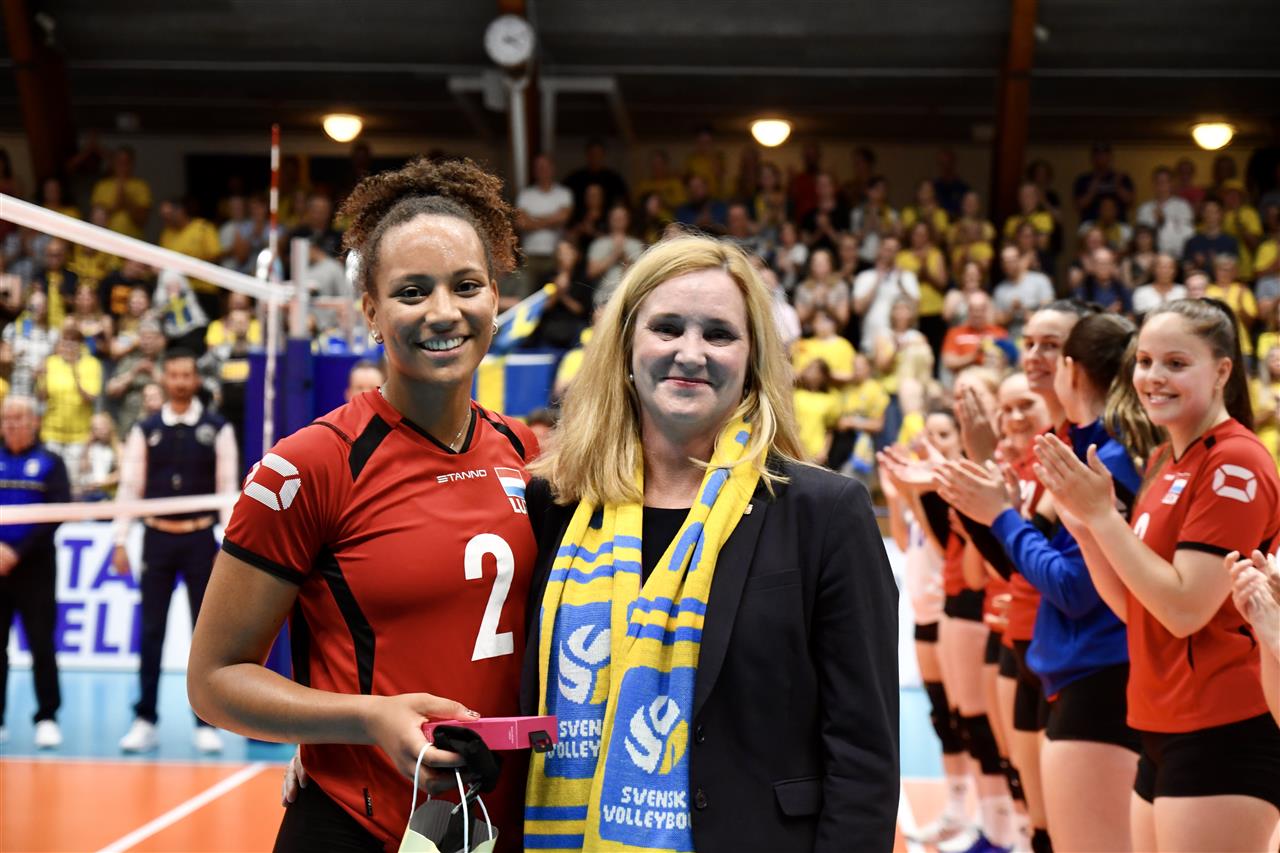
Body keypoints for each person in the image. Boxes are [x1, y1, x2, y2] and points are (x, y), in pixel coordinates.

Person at [187, 157, 539, 851]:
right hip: (359, 824)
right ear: (371, 311)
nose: (444, 311)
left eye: (466, 285)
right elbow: (213, 681)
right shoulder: (310, 467)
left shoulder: (522, 449)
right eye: (412, 291)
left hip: (499, 824)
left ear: (496, 298)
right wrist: (365, 719)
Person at [521, 234, 899, 851]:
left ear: (752, 360)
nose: (690, 353)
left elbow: (863, 755)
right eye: (667, 328)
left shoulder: (824, 514)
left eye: (719, 334)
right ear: (626, 347)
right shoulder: (556, 506)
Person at [1034, 298, 1280, 852]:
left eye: (1176, 363)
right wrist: (1086, 530)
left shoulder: (1235, 461)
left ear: (1222, 371)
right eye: (1145, 362)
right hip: (1160, 720)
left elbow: (1185, 610)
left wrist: (1104, 518)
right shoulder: (1166, 461)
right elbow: (1137, 606)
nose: (1153, 377)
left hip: (1223, 726)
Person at [940, 312, 1163, 852]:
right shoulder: (1075, 444)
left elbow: (1072, 585)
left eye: (1050, 346)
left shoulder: (1105, 454)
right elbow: (1016, 562)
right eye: (1029, 343)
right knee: (1041, 828)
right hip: (1061, 660)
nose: (1035, 357)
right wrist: (994, 500)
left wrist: (1000, 516)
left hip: (1096, 666)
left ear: (1072, 367)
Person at [113, 349, 239, 755]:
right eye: (174, 375)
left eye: (187, 375)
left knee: (205, 635)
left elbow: (227, 488)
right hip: (157, 539)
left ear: (196, 380)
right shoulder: (146, 428)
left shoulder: (217, 428)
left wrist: (227, 544)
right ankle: (145, 719)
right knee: (151, 630)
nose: (181, 382)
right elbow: (130, 486)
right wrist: (120, 538)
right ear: (164, 379)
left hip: (201, 540)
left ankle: (206, 721)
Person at [0, 395, 71, 748]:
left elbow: (57, 513)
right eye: (7, 418)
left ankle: (47, 716)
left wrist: (16, 551)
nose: (13, 424)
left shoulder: (50, 462)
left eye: (20, 418)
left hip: (36, 566)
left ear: (35, 422)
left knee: (42, 643)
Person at [516, 153, 574, 299]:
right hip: (530, 256)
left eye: (545, 167)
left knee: (554, 298)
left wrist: (534, 220)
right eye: (539, 167)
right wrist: (551, 219)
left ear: (552, 168)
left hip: (555, 256)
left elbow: (564, 217)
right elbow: (521, 222)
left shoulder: (563, 193)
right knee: (527, 298)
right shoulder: (526, 195)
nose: (542, 170)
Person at [90, 146, 152, 239]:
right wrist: (116, 205)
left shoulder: (141, 186)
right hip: (105, 241)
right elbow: (96, 220)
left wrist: (126, 201)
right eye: (119, 162)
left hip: (132, 241)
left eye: (126, 162)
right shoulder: (102, 186)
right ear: (113, 163)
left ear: (132, 163)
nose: (123, 166)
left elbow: (142, 221)